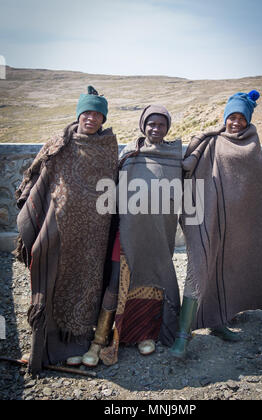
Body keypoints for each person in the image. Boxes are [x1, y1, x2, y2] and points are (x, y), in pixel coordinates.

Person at [14, 86, 118, 373]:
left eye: (98, 114)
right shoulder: (60, 142)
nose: (92, 118)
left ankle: (78, 345)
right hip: (59, 224)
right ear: (79, 114)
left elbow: (112, 188)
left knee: (86, 284)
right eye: (87, 112)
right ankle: (43, 346)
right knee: (53, 281)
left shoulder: (107, 147)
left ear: (103, 119)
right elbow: (40, 173)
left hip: (94, 233)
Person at [170, 90, 262, 359]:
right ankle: (183, 335)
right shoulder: (211, 142)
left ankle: (217, 322)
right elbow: (190, 171)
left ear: (247, 120)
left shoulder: (253, 143)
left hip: (235, 222)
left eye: (241, 118)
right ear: (225, 118)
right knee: (199, 267)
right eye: (232, 117)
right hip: (205, 216)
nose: (236, 122)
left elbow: (260, 177)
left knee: (225, 267)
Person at [85, 105, 182, 367]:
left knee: (150, 281)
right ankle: (100, 339)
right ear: (143, 126)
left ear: (167, 128)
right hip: (127, 230)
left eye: (161, 125)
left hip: (158, 234)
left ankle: (143, 334)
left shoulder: (176, 156)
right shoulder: (129, 154)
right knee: (115, 282)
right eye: (151, 124)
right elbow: (108, 187)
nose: (156, 129)